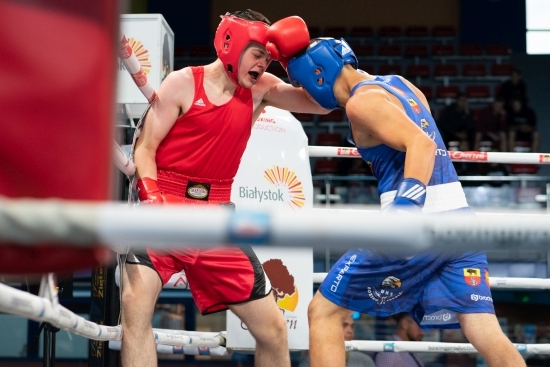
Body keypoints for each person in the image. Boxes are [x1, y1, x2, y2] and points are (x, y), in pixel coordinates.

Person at [284, 38, 525, 367]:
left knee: (323, 312)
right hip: (459, 223)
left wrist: (405, 210)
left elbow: (421, 145)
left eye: (304, 86)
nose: (306, 95)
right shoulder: (399, 84)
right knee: (482, 327)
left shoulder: (360, 104)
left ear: (318, 76)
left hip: (416, 225)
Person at [120, 11, 328, 367]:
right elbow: (145, 148)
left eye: (269, 57)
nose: (263, 64)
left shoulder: (260, 90)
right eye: (258, 53)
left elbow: (320, 104)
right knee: (135, 304)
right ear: (231, 43)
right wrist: (152, 199)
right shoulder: (183, 83)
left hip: (217, 217)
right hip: (165, 203)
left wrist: (296, 60)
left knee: (274, 329)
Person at [299, 315, 376, 367]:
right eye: (344, 325)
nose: (350, 331)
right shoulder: (312, 361)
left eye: (352, 326)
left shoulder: (364, 361)